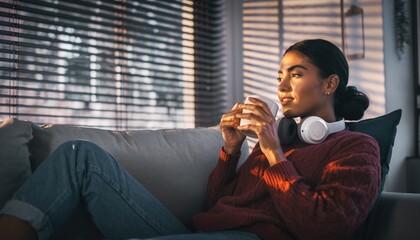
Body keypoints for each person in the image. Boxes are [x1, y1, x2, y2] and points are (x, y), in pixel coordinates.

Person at [0, 38, 381, 240]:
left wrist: (273, 153)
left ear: (330, 83)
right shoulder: (285, 137)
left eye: (295, 74)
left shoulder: (357, 148)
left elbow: (324, 226)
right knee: (78, 155)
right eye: (280, 74)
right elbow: (218, 205)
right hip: (202, 231)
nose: (281, 85)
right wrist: (230, 150)